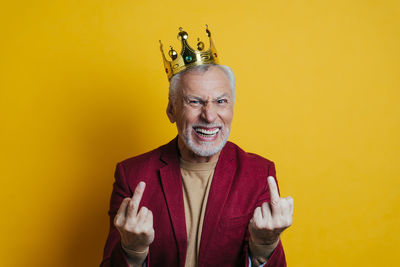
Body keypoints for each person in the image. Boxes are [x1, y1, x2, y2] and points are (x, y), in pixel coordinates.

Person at [100, 26, 293, 267]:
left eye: (221, 101)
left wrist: (264, 246)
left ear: (232, 107)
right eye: (195, 101)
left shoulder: (258, 175)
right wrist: (132, 251)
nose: (210, 116)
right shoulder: (132, 175)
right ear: (172, 110)